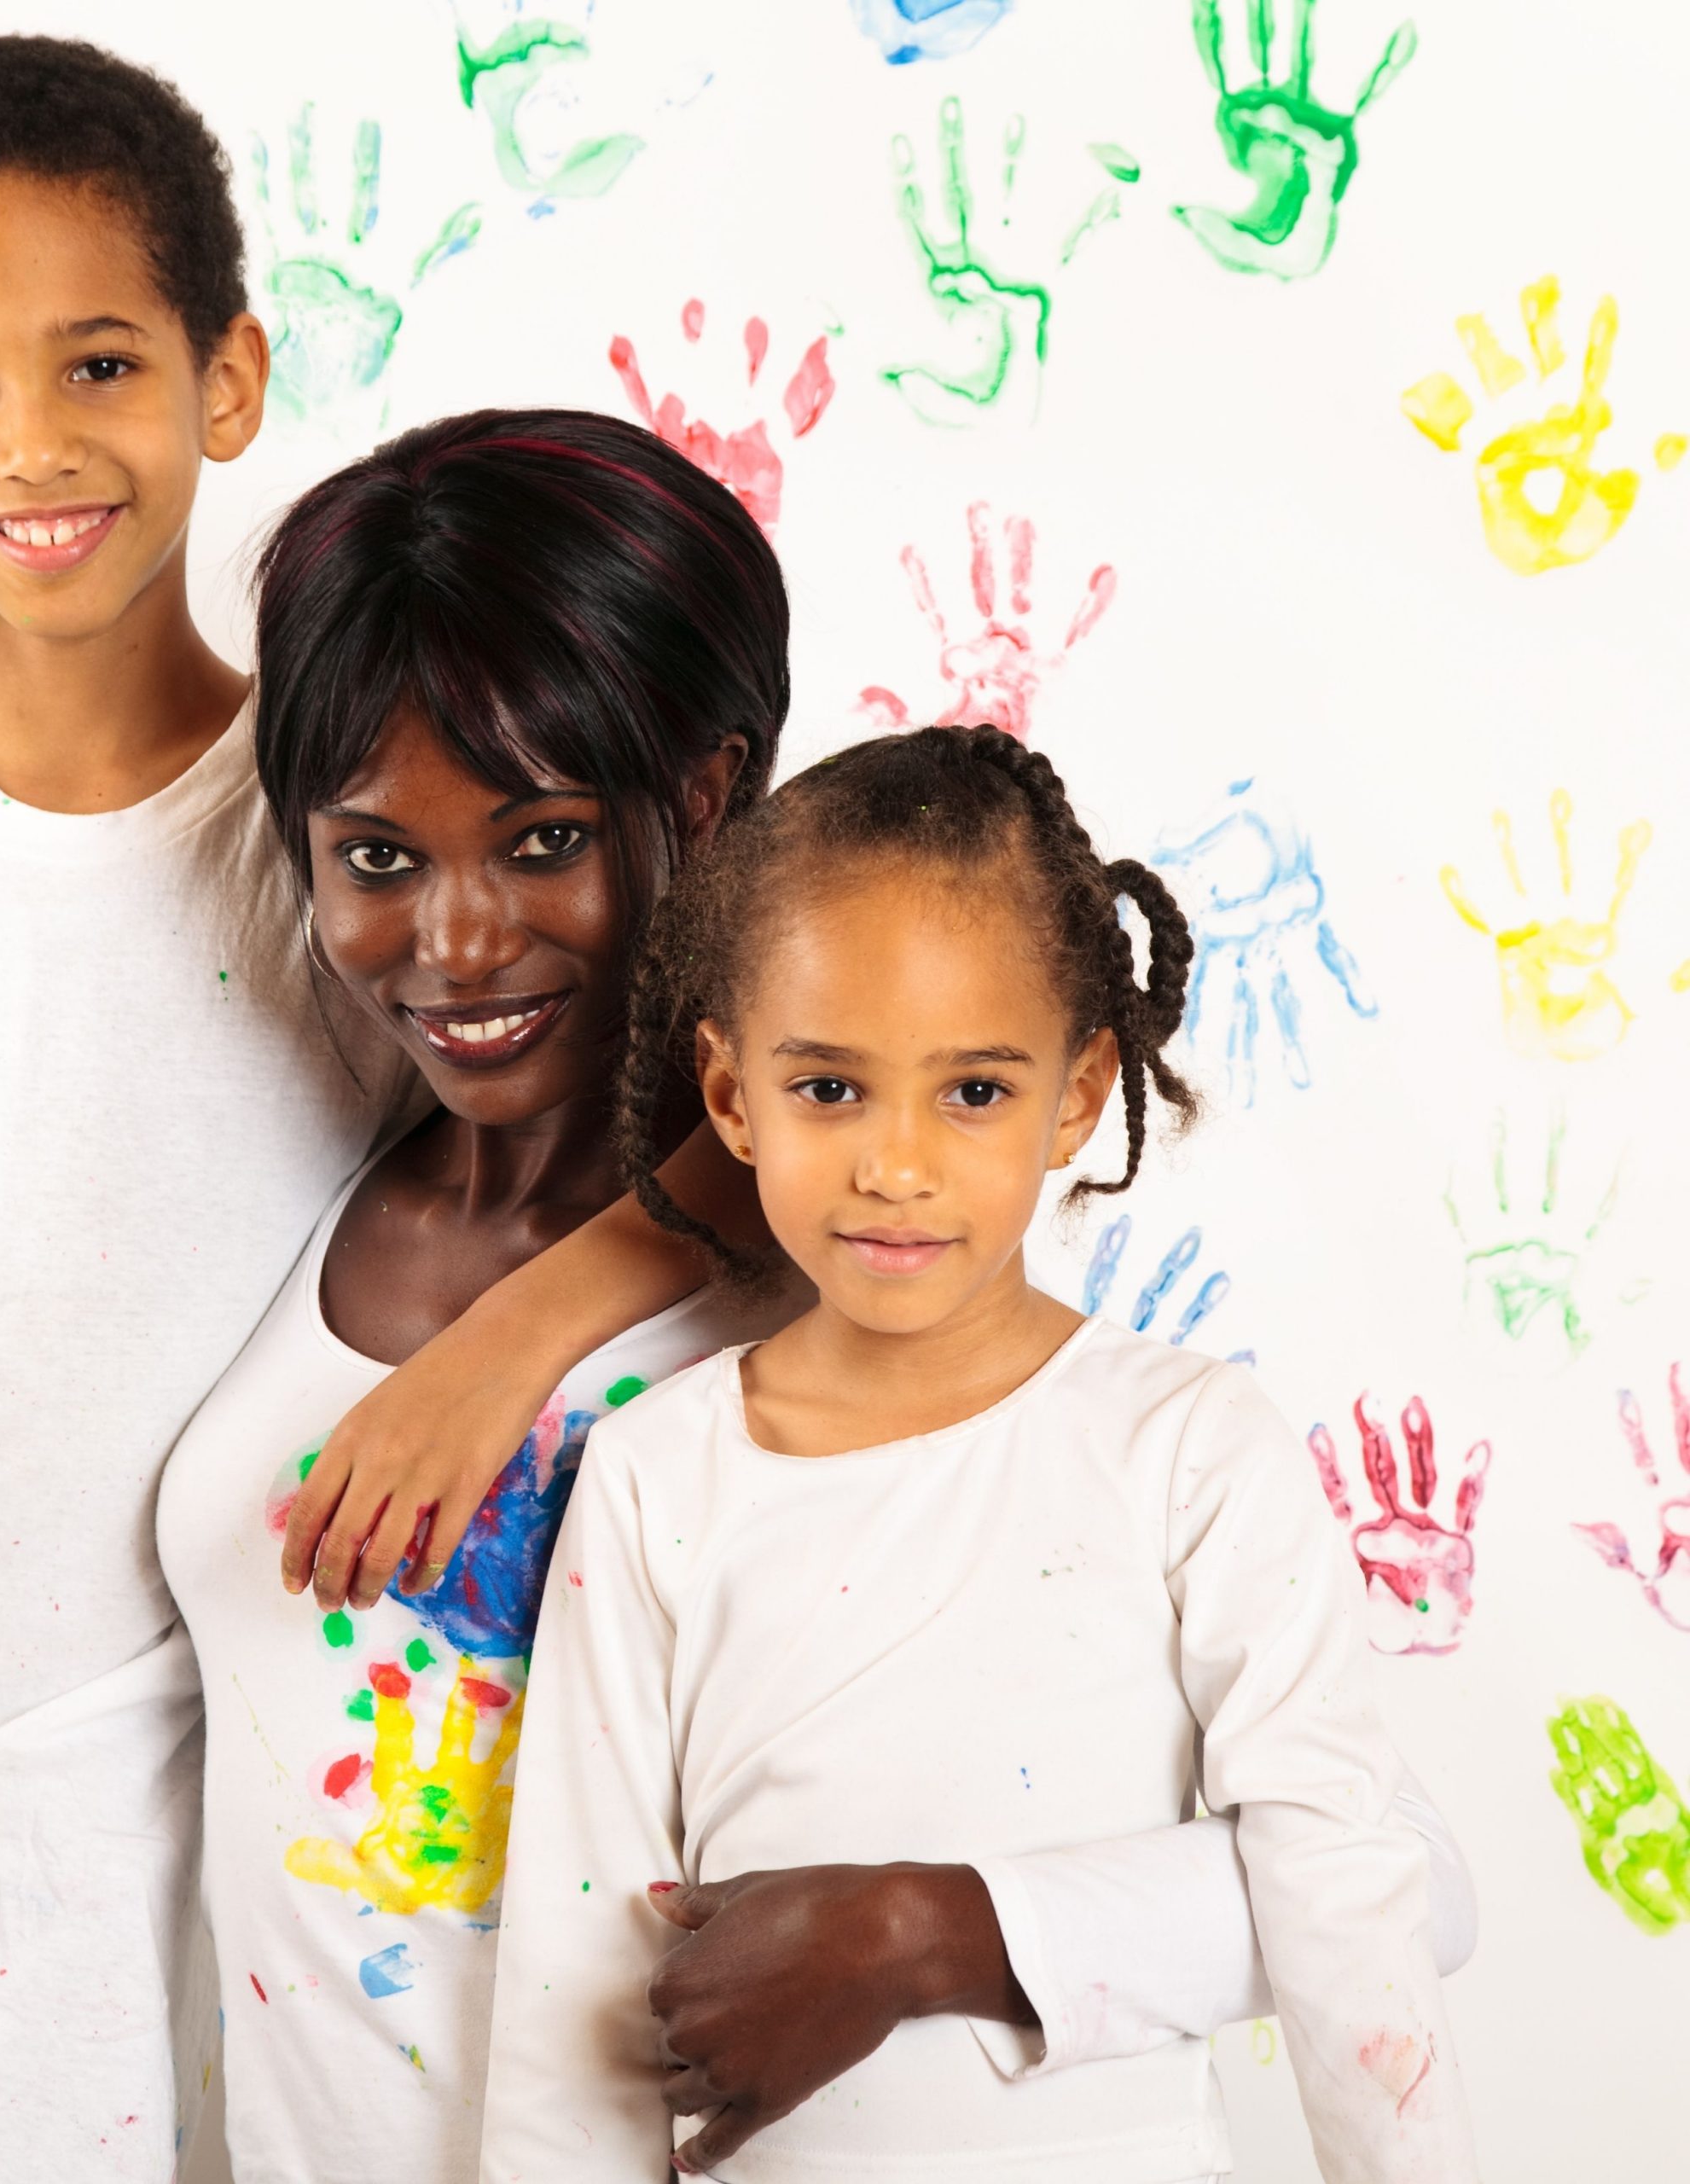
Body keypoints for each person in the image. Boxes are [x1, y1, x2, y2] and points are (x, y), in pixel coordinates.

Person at [0, 42, 751, 2181]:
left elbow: (774, 1104)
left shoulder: (358, 838)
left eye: (98, 359)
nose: (33, 439)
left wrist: (515, 1336)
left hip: (64, 1913)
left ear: (226, 379)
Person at [155, 419, 1472, 2184]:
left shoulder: (874, 1283)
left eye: (543, 839)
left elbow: (1394, 1882)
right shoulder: (303, 1169)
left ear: (701, 803)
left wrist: (928, 1930)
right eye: (378, 857)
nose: (455, 942)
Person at [483, 727, 1480, 2183]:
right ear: (731, 1095)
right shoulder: (655, 1479)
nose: (897, 1166)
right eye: (830, 1090)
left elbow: (1345, 1888)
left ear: (1077, 1096)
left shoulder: (1189, 1451)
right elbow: (575, 1998)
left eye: (974, 1092)